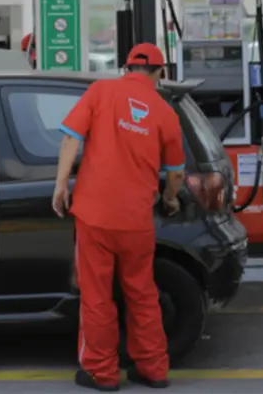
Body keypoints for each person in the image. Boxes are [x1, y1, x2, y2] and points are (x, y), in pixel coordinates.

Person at [53, 43, 186, 391]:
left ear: (126, 67)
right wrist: (170, 200)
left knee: (97, 296)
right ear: (161, 72)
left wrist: (61, 186)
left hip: (94, 216)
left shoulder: (101, 91)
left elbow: (71, 138)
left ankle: (101, 372)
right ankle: (154, 369)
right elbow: (175, 173)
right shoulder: (165, 112)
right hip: (136, 221)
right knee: (142, 293)